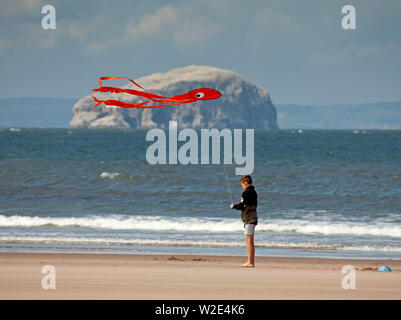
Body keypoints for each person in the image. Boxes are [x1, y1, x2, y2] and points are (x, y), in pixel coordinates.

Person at [230, 175, 258, 267]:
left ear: (245, 183)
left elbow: (242, 205)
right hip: (253, 217)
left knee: (249, 240)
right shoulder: (254, 192)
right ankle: (251, 261)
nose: (242, 187)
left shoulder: (246, 193)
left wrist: (234, 206)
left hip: (249, 218)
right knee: (250, 240)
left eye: (242, 185)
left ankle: (250, 262)